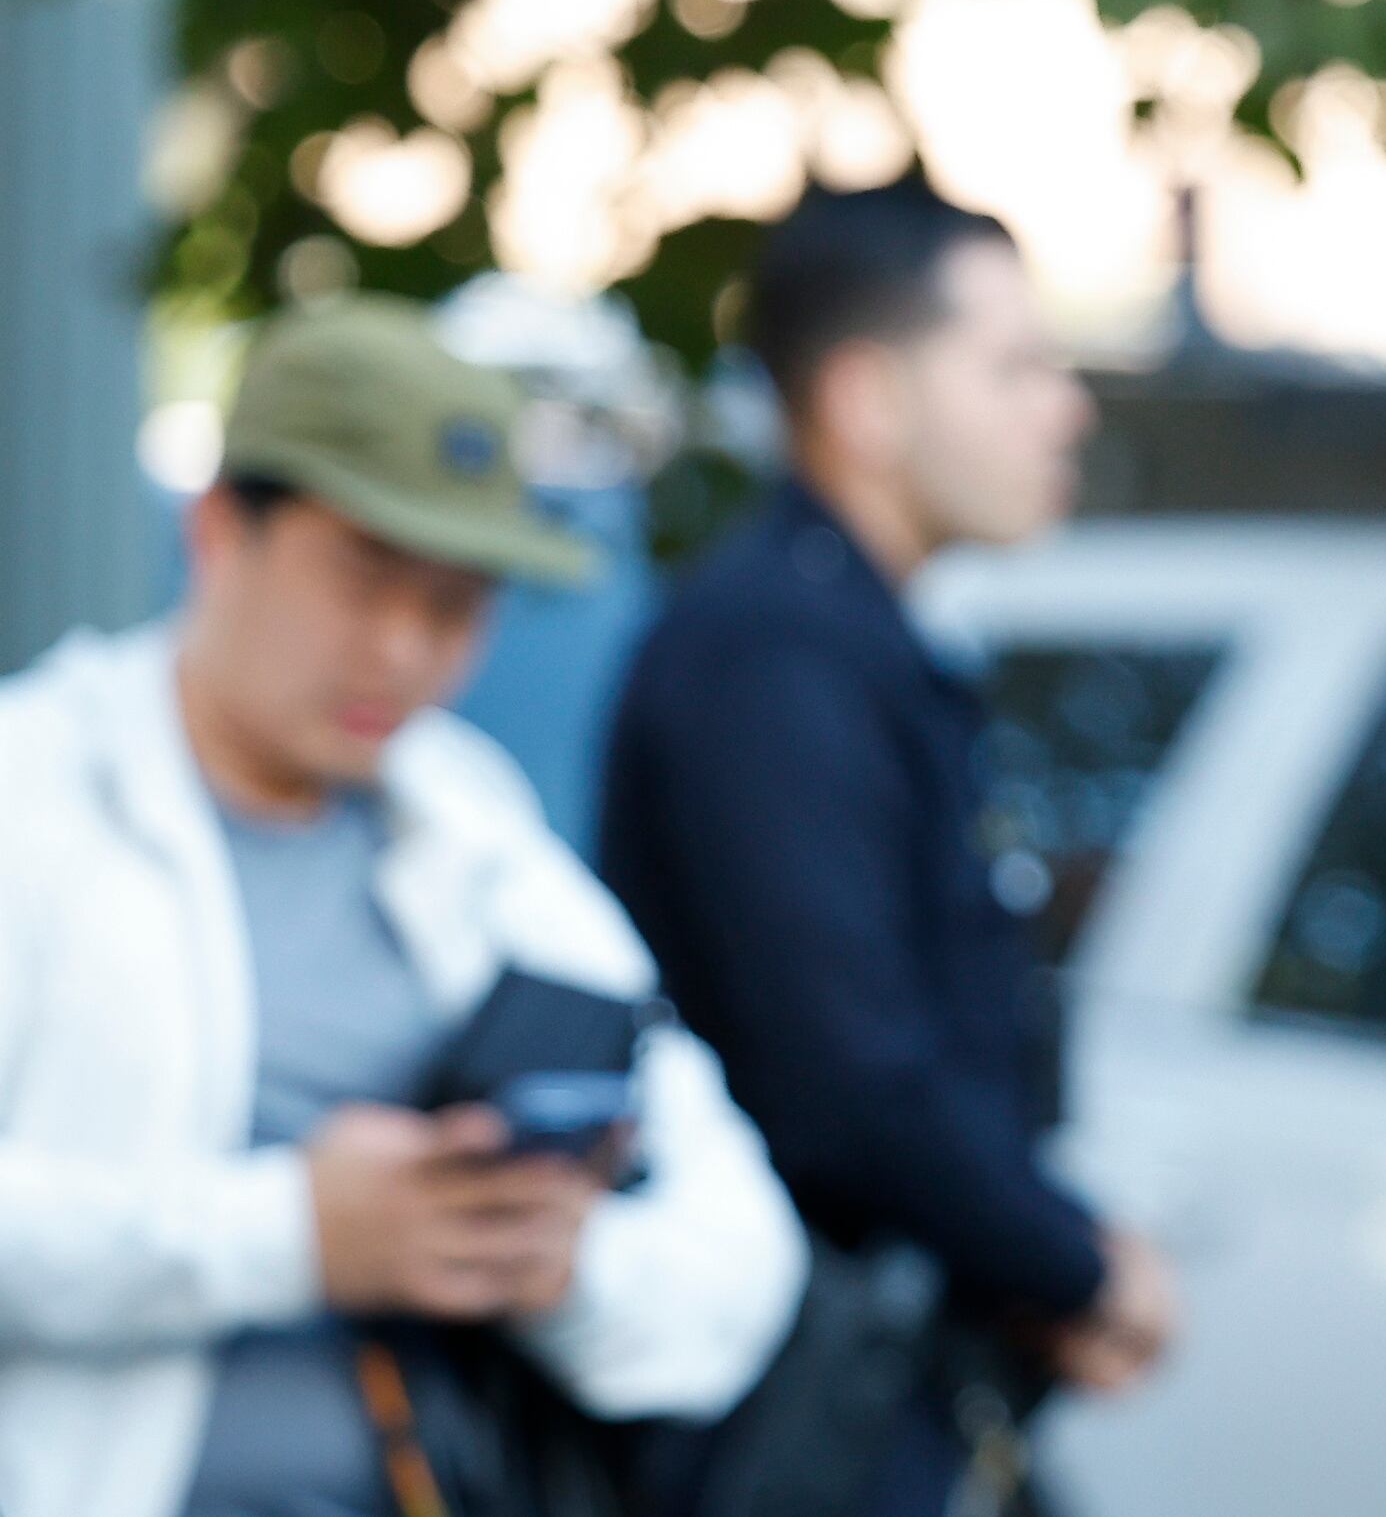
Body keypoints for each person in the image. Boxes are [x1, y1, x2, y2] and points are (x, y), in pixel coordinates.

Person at [0, 295, 805, 1517]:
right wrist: (286, 1234)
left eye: (455, 603)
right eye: (364, 576)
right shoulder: (36, 793)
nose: (401, 650)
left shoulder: (470, 832)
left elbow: (742, 1252)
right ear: (220, 525)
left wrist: (552, 1262)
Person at [601, 180, 1176, 1515]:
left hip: (893, 1384)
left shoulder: (850, 637)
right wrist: (1079, 1265)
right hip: (792, 1412)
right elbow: (850, 1081)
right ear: (867, 398)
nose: (1064, 407)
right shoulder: (772, 655)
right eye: (1014, 367)